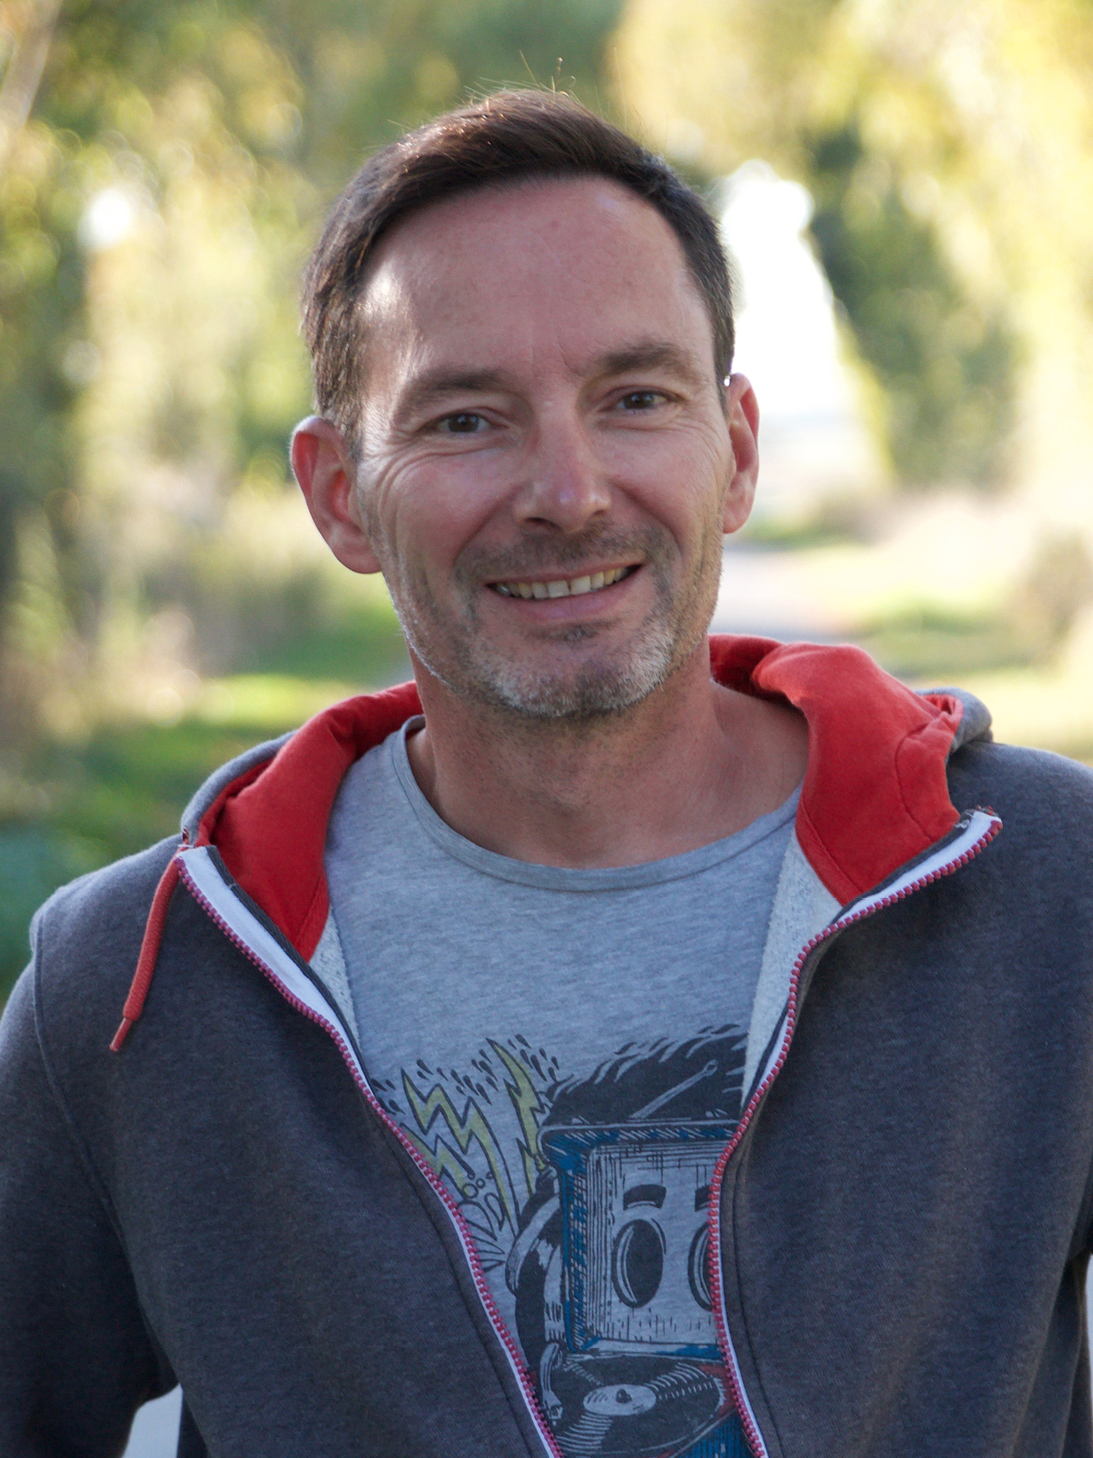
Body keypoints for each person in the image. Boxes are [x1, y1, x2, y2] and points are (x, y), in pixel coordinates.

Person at [2, 88, 1092, 1458]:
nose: (568, 493)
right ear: (340, 494)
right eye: (466, 420)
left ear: (736, 449)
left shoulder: (1049, 892)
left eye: (634, 398)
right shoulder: (142, 984)